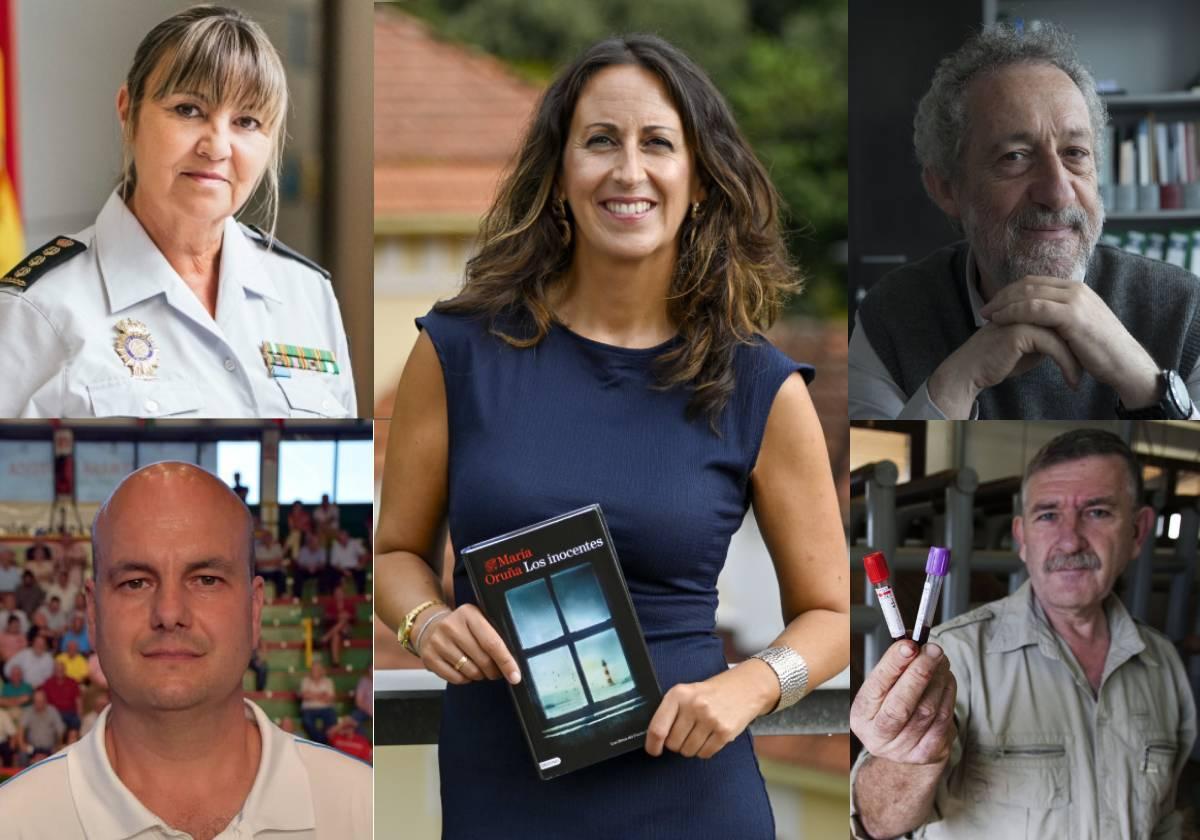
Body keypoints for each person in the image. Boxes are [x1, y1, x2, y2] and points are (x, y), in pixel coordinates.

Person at [375, 34, 849, 838]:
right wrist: (425, 622)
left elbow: (832, 617)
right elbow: (393, 557)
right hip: (505, 792)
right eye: (601, 141)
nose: (629, 171)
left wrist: (753, 686)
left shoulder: (758, 384)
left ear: (698, 180)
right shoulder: (455, 352)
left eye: (658, 143)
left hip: (692, 793)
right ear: (560, 177)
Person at [0, 5, 355, 419]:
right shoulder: (38, 311)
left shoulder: (308, 295)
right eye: (189, 110)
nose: (217, 146)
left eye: (247, 121)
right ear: (127, 110)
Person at [849, 430, 1197, 838]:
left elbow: (1166, 817)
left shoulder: (1163, 664)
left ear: (1138, 532)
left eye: (1097, 512)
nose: (1069, 540)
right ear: (1022, 538)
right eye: (1048, 515)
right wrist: (907, 761)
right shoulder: (951, 656)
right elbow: (875, 821)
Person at [849, 23, 1200, 420]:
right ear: (947, 188)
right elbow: (873, 479)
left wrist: (1140, 379)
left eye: (1075, 153)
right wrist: (957, 383)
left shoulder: (1187, 310)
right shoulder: (890, 317)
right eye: (1015, 156)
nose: (1058, 192)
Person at [0, 461, 370, 837]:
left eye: (206, 579)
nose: (169, 613)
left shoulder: (361, 807)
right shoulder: (14, 821)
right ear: (93, 614)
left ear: (254, 609)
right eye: (135, 583)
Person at [16, 689, 65, 762]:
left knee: (60, 754)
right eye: (36, 701)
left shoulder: (53, 711)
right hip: (32, 748)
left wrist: (58, 746)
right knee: (22, 755)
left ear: (45, 701)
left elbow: (61, 731)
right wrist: (22, 745)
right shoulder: (28, 711)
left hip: (50, 748)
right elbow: (21, 729)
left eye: (40, 701)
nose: (38, 703)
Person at [299, 659, 338, 745]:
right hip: (309, 709)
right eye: (313, 669)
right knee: (306, 721)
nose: (314, 671)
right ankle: (321, 742)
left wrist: (311, 695)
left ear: (321, 671)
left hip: (326, 709)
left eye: (317, 669)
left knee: (332, 718)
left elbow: (330, 698)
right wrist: (321, 695)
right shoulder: (305, 681)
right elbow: (304, 696)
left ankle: (322, 742)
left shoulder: (328, 681)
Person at [329, 529, 367, 594]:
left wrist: (361, 564)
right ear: (338, 538)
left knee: (361, 572)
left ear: (348, 536)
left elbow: (364, 554)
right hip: (341, 569)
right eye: (341, 537)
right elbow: (334, 563)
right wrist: (344, 571)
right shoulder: (335, 546)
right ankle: (334, 595)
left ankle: (361, 596)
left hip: (354, 567)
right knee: (332, 573)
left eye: (345, 536)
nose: (344, 539)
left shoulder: (354, 543)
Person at [294, 530, 330, 599]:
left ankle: (322, 596)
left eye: (316, 542)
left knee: (325, 573)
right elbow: (300, 564)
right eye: (312, 542)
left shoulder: (322, 550)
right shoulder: (303, 550)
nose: (314, 544)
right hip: (305, 570)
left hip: (317, 570)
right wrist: (308, 567)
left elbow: (323, 564)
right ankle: (297, 597)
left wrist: (315, 567)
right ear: (309, 543)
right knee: (298, 574)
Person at [253, 529, 287, 598]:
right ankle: (255, 596)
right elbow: (258, 563)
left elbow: (279, 561)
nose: (267, 539)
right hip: (262, 571)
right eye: (265, 537)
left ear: (271, 538)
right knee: (255, 577)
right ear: (262, 539)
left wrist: (265, 562)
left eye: (269, 537)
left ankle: (280, 597)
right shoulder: (257, 548)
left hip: (275, 571)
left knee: (281, 575)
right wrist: (273, 562)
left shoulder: (277, 547)